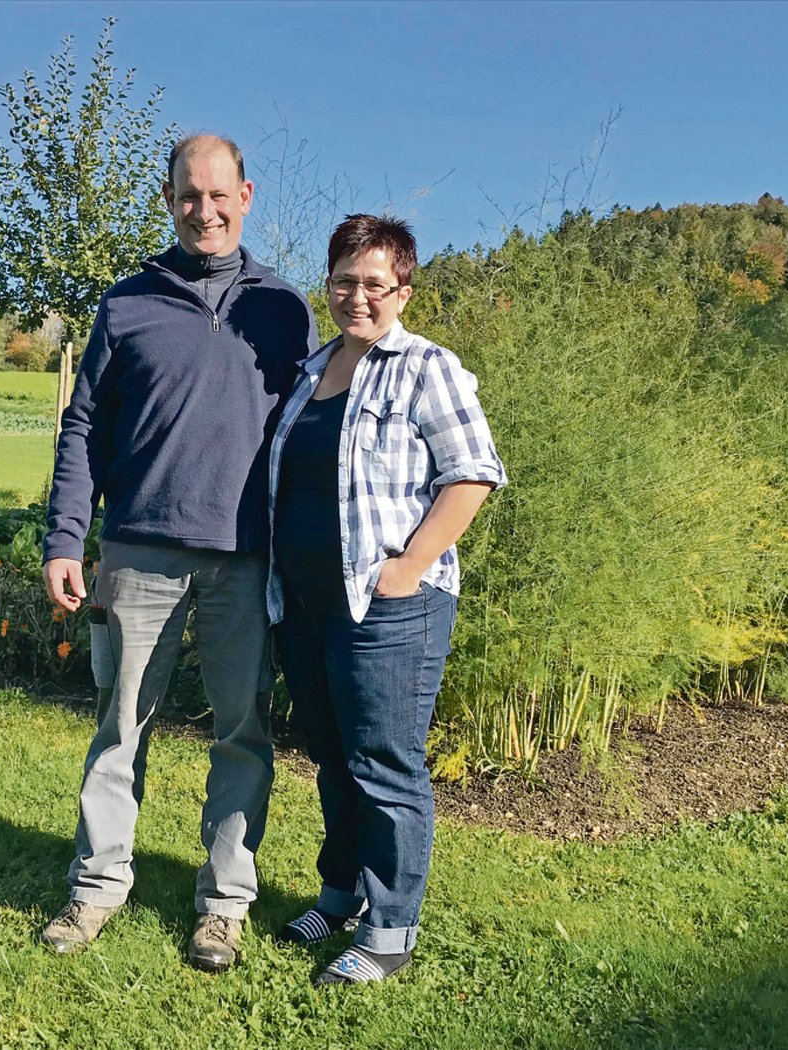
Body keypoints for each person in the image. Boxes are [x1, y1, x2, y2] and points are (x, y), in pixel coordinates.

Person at [39, 134, 317, 972]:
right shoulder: (127, 304)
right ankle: (96, 887)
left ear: (246, 195)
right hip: (138, 552)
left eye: (219, 194)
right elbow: (83, 424)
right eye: (189, 195)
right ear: (168, 200)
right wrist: (65, 535)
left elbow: (310, 438)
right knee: (119, 727)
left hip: (245, 558)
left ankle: (225, 903)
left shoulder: (286, 308)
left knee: (241, 732)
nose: (205, 210)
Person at [267, 214, 506, 985]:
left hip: (389, 608)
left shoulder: (425, 366)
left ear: (403, 289)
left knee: (384, 764)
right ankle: (342, 894)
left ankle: (393, 929)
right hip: (306, 604)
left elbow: (472, 474)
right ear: (327, 283)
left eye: (375, 283)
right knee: (331, 758)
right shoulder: (309, 372)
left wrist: (408, 567)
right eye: (344, 280)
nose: (357, 296)